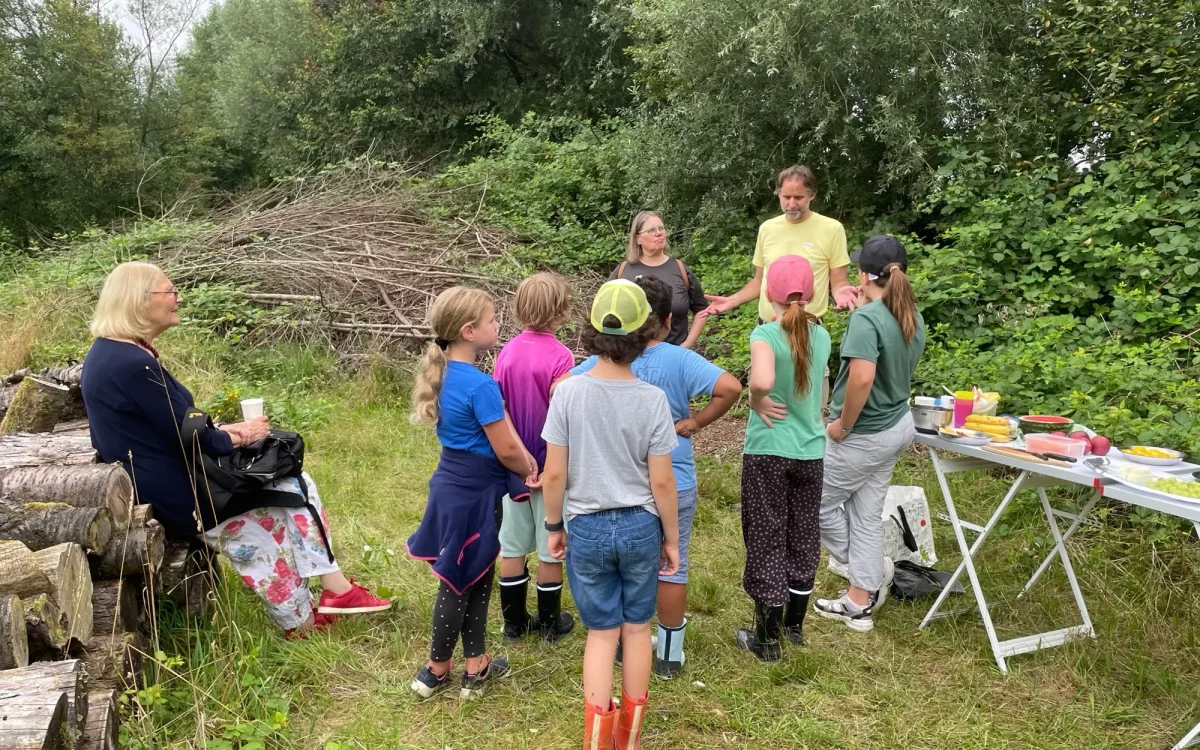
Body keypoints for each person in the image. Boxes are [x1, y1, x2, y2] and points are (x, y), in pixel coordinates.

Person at [81, 262, 390, 640]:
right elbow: (191, 437)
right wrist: (240, 437)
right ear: (140, 301)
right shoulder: (130, 363)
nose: (178, 299)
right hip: (181, 493)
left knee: (292, 489)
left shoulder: (115, 353)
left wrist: (224, 430)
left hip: (170, 477)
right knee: (284, 499)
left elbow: (169, 425)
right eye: (170, 291)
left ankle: (325, 598)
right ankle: (315, 610)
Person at [563, 276, 740, 679]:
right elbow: (730, 386)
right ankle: (670, 654)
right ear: (663, 320)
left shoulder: (604, 358)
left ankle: (626, 644)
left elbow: (562, 388)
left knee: (622, 569)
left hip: (616, 485)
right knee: (671, 566)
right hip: (672, 478)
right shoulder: (679, 359)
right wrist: (694, 422)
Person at [541, 279, 680, 749]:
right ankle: (631, 740)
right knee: (637, 629)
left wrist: (554, 526)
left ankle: (599, 743)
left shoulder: (568, 394)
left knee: (602, 635)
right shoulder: (653, 400)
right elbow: (663, 482)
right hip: (642, 525)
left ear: (591, 330)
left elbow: (554, 475)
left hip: (586, 527)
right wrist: (672, 539)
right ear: (647, 333)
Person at [406, 286, 537, 700]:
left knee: (475, 571)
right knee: (459, 578)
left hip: (450, 483)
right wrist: (529, 467)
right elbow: (506, 447)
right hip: (476, 492)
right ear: (468, 330)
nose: (499, 324)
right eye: (493, 319)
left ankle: (475, 664)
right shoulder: (481, 386)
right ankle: (436, 668)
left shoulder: (443, 375)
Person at [815, 235, 925, 633]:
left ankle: (873, 570)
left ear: (863, 275)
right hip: (897, 425)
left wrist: (842, 425)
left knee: (817, 502)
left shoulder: (867, 319)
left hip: (864, 433)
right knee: (864, 515)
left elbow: (862, 378)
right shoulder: (909, 313)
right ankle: (859, 603)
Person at [735, 256, 831, 662]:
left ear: (767, 293)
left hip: (769, 450)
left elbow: (762, 380)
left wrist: (756, 399)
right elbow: (822, 392)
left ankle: (766, 638)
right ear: (810, 294)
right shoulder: (821, 336)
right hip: (811, 450)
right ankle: (794, 626)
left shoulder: (765, 334)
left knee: (766, 535)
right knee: (803, 535)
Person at [702, 166, 859, 406]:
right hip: (769, 331)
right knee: (765, 404)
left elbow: (837, 282)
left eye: (799, 198)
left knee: (811, 407)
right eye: (786, 197)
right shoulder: (768, 229)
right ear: (778, 194)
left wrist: (842, 294)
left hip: (809, 331)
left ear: (812, 195)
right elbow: (759, 281)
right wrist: (731, 300)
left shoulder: (831, 229)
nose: (792, 204)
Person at [493, 273, 577, 644]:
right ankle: (549, 624)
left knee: (511, 544)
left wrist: (520, 461)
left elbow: (500, 409)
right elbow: (564, 418)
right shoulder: (562, 357)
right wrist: (545, 465)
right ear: (561, 312)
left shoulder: (505, 353)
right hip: (551, 468)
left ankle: (513, 624)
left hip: (511, 468)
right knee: (550, 548)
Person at [610, 211, 709, 348]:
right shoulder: (623, 271)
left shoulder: (680, 269)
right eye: (651, 230)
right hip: (631, 359)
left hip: (674, 357)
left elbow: (701, 310)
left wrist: (686, 345)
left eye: (661, 228)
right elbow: (606, 310)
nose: (659, 233)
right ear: (638, 238)